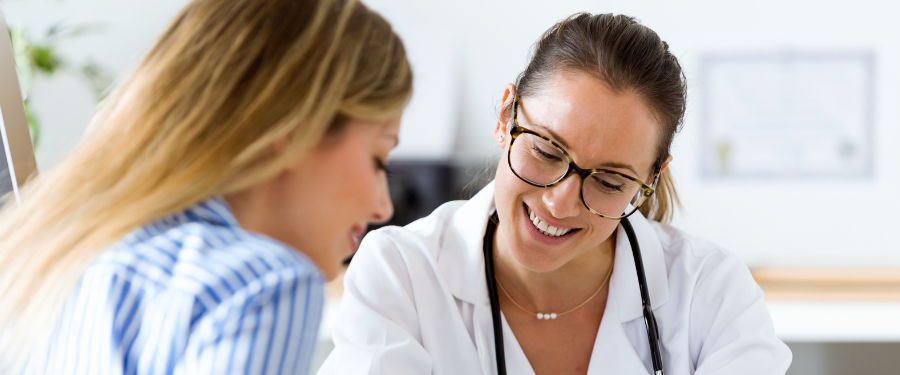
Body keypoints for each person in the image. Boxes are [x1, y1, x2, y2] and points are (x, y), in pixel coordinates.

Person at [320, 13, 791, 375]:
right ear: (506, 118)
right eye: (547, 151)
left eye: (610, 181)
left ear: (651, 176)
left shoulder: (710, 292)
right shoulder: (401, 274)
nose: (560, 202)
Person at [0, 0, 411, 373]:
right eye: (379, 161)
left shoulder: (49, 256)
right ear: (294, 129)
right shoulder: (266, 285)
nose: (383, 209)